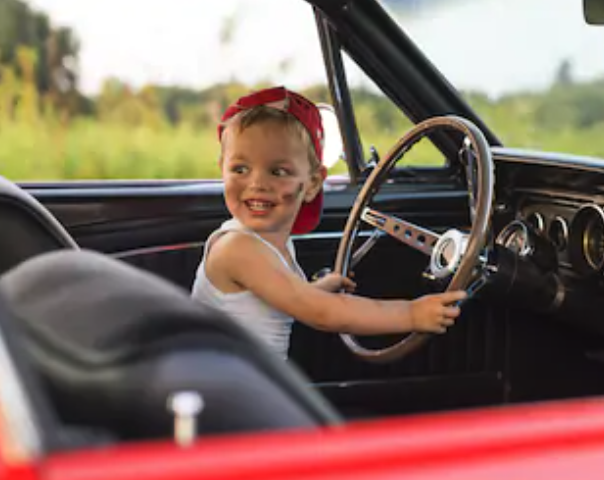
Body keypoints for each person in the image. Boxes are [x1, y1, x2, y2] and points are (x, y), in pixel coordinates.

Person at [191, 86, 466, 359]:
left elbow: (285, 297)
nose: (257, 183)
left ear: (312, 184)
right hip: (226, 385)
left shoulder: (270, 243)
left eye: (278, 171)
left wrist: (315, 290)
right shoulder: (238, 248)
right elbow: (320, 312)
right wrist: (411, 314)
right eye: (240, 169)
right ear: (222, 170)